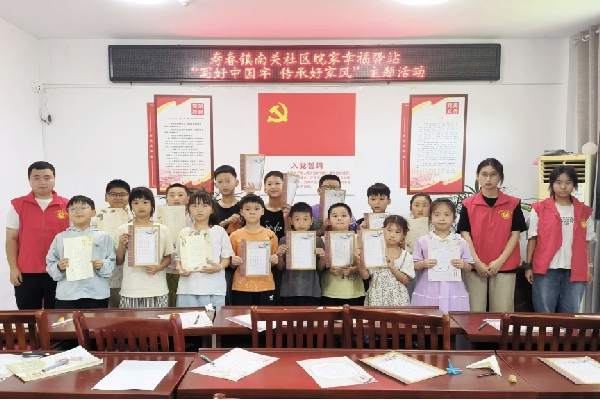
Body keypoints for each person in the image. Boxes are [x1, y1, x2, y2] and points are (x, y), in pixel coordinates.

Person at [457, 158, 527, 312]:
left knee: (502, 313)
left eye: (493, 174)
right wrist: (476, 262)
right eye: (484, 174)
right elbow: (465, 235)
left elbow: (515, 235)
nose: (488, 179)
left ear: (500, 177)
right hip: (475, 266)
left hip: (505, 265)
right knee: (474, 312)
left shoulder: (513, 203)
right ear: (477, 176)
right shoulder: (468, 204)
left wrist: (499, 262)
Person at [525, 165, 594, 313]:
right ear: (552, 184)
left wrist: (587, 267)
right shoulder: (539, 209)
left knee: (570, 314)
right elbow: (532, 239)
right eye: (558, 182)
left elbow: (586, 242)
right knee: (544, 313)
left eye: (568, 182)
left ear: (574, 185)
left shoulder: (584, 211)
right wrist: (528, 266)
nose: (563, 187)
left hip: (576, 270)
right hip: (546, 270)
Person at [6, 161, 70, 309]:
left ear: (54, 179)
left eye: (47, 177)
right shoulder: (18, 205)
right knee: (28, 316)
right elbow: (11, 239)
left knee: (58, 316)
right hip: (26, 271)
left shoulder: (67, 205)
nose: (42, 182)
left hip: (60, 270)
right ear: (29, 180)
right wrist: (13, 268)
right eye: (36, 177)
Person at [46, 196, 115, 309]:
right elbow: (50, 262)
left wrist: (102, 265)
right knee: (68, 321)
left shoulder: (103, 236)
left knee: (96, 321)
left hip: (96, 293)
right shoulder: (61, 237)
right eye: (73, 209)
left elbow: (112, 261)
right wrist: (59, 267)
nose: (78, 211)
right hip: (68, 294)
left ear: (93, 212)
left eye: (83, 208)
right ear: (68, 213)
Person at [412, 199, 474, 312]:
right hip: (429, 288)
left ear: (454, 218)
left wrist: (463, 264)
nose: (442, 218)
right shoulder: (422, 241)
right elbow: (414, 265)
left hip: (454, 288)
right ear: (430, 218)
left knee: (453, 318)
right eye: (437, 215)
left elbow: (469, 266)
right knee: (429, 318)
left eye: (446, 214)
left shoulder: (460, 241)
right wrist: (423, 263)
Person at [175, 190, 233, 310]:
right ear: (188, 209)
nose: (199, 210)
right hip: (188, 288)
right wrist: (180, 268)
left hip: (214, 288)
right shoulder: (184, 232)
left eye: (204, 206)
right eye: (194, 206)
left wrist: (219, 267)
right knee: (187, 321)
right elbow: (178, 258)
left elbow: (226, 258)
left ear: (212, 209)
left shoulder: (219, 231)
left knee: (212, 321)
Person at [116, 187, 173, 308]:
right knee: (129, 320)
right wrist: (121, 244)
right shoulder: (123, 229)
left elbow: (168, 258)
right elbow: (119, 261)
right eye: (136, 203)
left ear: (152, 205)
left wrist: (158, 267)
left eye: (145, 202)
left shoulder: (163, 229)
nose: (140, 206)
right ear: (131, 206)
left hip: (157, 289)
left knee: (156, 321)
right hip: (130, 289)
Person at [229, 194, 279, 305]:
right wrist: (232, 261)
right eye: (247, 209)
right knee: (242, 316)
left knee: (264, 316)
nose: (252, 212)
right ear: (241, 212)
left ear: (263, 211)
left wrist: (274, 260)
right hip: (241, 286)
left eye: (256, 209)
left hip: (266, 286)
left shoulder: (270, 235)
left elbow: (272, 263)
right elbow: (231, 264)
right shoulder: (234, 236)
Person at [358, 215, 414, 306]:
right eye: (389, 230)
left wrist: (392, 267)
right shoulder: (374, 252)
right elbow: (365, 276)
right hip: (376, 297)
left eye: (397, 232)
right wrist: (360, 259)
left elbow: (406, 280)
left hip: (398, 299)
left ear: (403, 235)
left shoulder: (406, 256)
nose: (392, 235)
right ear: (382, 230)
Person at [276, 202, 324, 306]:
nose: (301, 223)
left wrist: (322, 257)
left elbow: (320, 268)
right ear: (290, 221)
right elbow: (280, 267)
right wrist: (279, 254)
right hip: (288, 290)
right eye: (297, 219)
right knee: (289, 316)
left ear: (311, 221)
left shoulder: (318, 241)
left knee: (310, 316)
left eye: (305, 219)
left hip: (311, 290)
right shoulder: (284, 240)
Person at [94, 179, 131, 308]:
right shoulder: (96, 219)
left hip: (130, 276)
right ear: (106, 197)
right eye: (113, 194)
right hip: (103, 276)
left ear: (129, 197)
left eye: (122, 194)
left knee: (128, 314)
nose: (118, 198)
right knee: (107, 312)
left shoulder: (137, 217)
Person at [320, 203, 365, 306]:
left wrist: (351, 270)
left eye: (344, 215)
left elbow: (366, 266)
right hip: (329, 292)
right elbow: (318, 268)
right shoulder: (323, 240)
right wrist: (324, 262)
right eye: (335, 216)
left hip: (355, 293)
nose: (339, 218)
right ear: (328, 220)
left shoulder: (359, 239)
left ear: (351, 219)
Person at [163, 183, 190, 307]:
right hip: (165, 269)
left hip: (189, 270)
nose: (176, 198)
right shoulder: (159, 218)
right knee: (169, 304)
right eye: (172, 195)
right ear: (166, 199)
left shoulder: (195, 218)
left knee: (186, 306)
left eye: (180, 195)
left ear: (188, 199)